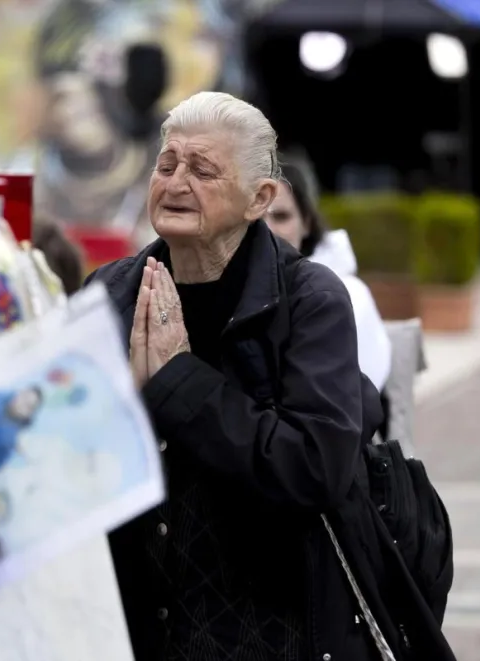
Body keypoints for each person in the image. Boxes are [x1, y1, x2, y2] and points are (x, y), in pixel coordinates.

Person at [86, 91, 387, 661]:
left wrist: (177, 379)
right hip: (132, 626)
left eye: (202, 170)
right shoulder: (111, 291)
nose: (176, 184)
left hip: (266, 631)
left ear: (261, 197)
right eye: (167, 164)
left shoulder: (311, 300)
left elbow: (313, 468)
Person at [267, 155, 392, 393]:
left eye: (281, 216)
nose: (268, 229)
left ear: (307, 223)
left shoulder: (348, 293)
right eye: (255, 217)